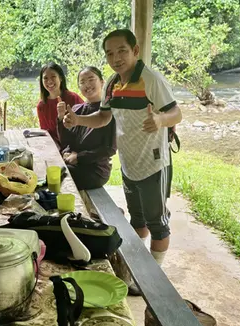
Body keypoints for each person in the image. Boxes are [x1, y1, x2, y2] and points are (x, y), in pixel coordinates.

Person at [63, 29, 182, 293]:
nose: (116, 58)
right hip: (129, 165)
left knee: (157, 223)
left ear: (135, 51)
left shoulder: (151, 79)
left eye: (122, 51)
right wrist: (78, 119)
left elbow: (176, 112)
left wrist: (161, 120)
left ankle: (152, 281)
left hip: (153, 164)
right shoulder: (112, 84)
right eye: (109, 53)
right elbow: (104, 118)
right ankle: (136, 271)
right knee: (137, 221)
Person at [57, 66, 117, 190]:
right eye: (82, 82)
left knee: (57, 176)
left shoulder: (108, 112)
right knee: (52, 170)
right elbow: (66, 141)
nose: (87, 85)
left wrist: (79, 157)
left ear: (102, 82)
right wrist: (60, 118)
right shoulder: (76, 109)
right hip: (73, 164)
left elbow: (109, 149)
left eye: (91, 80)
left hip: (95, 170)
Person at [36, 62, 83, 146]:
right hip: (54, 148)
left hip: (76, 147)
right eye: (45, 78)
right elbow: (46, 133)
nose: (49, 81)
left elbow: (84, 126)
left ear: (60, 78)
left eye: (53, 77)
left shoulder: (73, 98)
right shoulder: (41, 106)